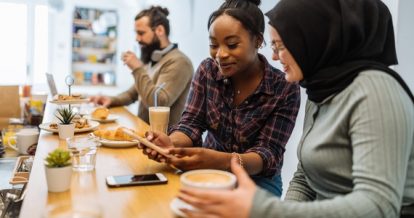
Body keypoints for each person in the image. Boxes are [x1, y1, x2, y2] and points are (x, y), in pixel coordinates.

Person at [174, 0, 414, 217]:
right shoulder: (320, 92)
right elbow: (305, 178)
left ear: (313, 40)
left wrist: (264, 209)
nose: (275, 57)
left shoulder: (375, 91)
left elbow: (379, 206)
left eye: (280, 45)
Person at [140, 0, 300, 197]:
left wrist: (222, 161)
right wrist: (171, 142)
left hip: (257, 181)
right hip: (208, 170)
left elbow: (267, 154)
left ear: (258, 41)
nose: (220, 55)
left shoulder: (283, 87)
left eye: (232, 45)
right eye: (213, 45)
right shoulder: (208, 71)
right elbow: (191, 124)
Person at [90, 6, 193, 125]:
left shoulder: (179, 62)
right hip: (145, 134)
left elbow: (158, 103)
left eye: (141, 33)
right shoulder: (152, 59)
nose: (137, 38)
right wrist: (111, 100)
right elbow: (132, 94)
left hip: (165, 141)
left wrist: (137, 69)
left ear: (160, 30)